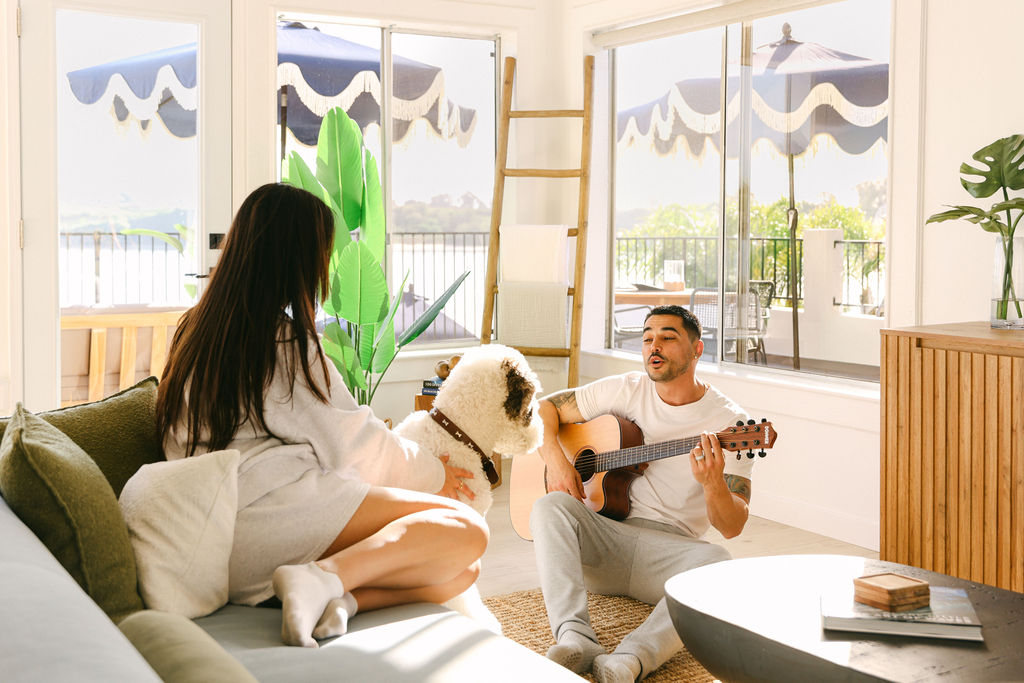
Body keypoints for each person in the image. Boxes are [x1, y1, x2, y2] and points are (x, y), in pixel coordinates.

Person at [156, 183, 487, 648]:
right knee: (468, 532)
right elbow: (357, 444)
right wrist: (436, 476)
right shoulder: (284, 344)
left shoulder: (193, 331)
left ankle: (336, 596)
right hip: (270, 521)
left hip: (215, 540)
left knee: (460, 572)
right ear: (296, 259)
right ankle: (323, 575)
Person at [530, 304, 753, 682]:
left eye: (668, 337)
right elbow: (543, 408)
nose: (655, 346)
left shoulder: (733, 424)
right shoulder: (626, 388)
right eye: (648, 337)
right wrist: (556, 460)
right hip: (606, 541)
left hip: (667, 557)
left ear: (698, 350)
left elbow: (732, 527)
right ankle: (574, 637)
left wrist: (714, 484)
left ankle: (628, 662)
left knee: (720, 563)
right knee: (550, 506)